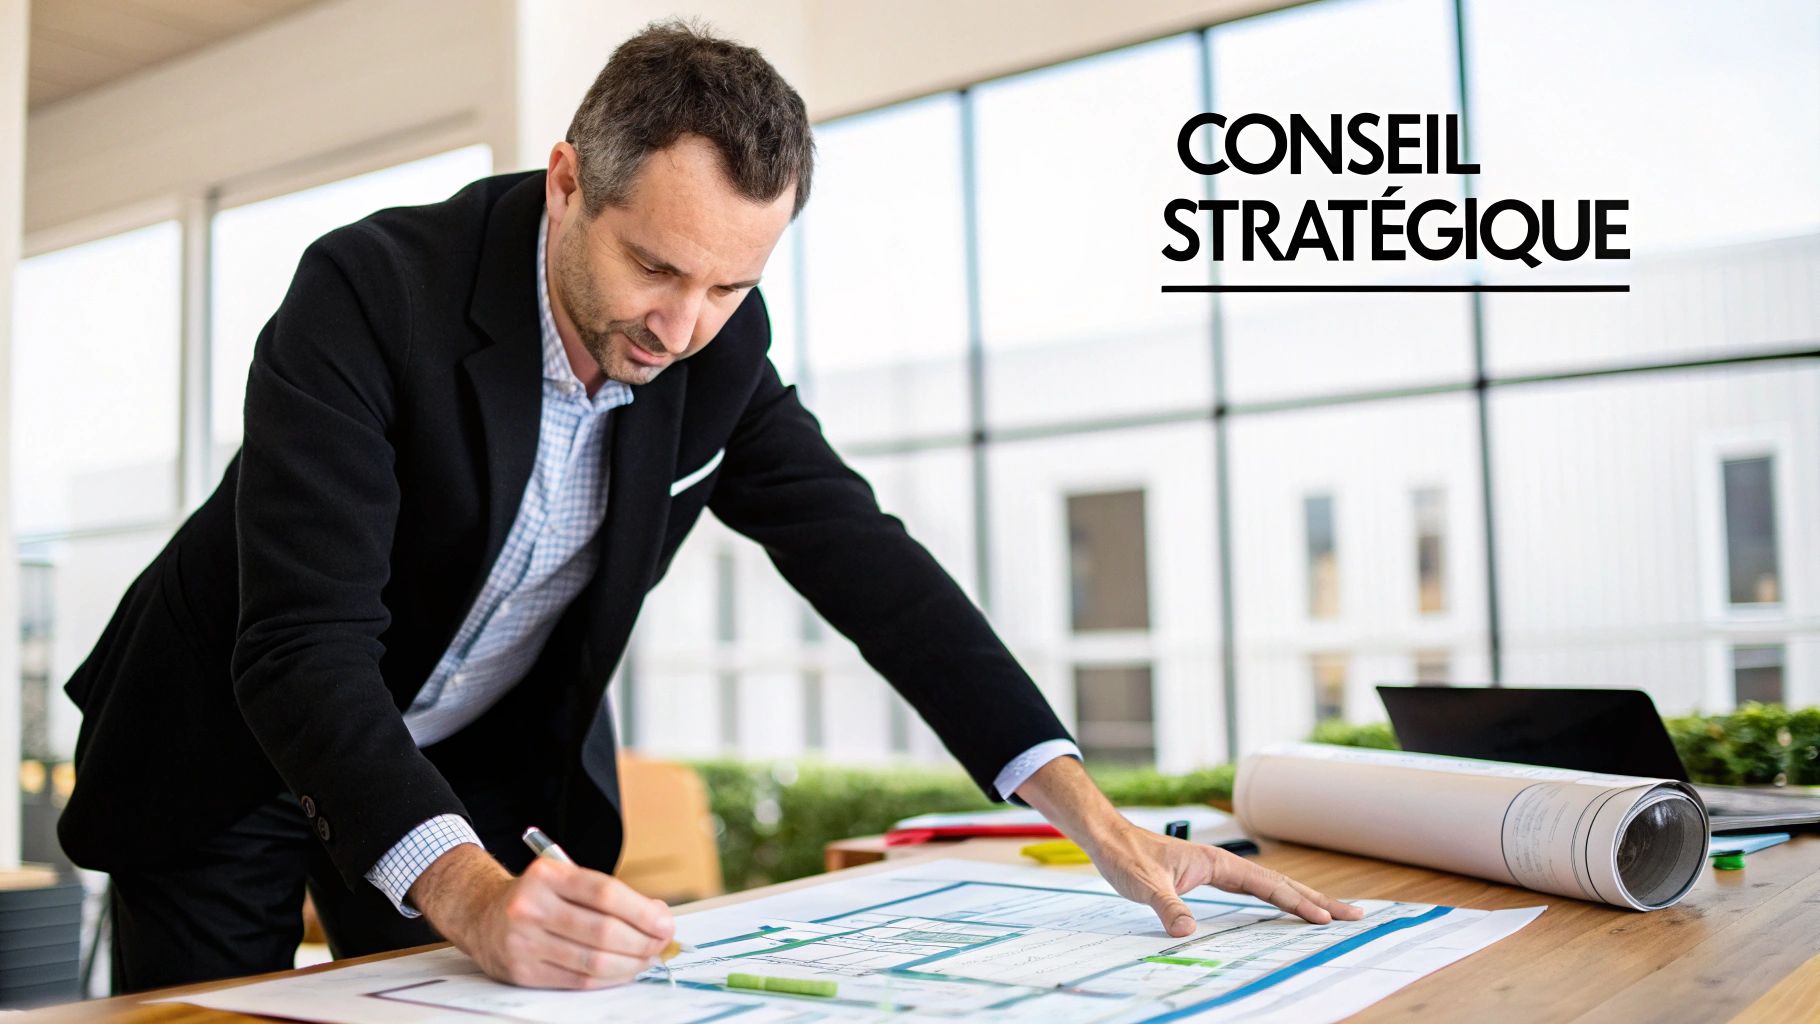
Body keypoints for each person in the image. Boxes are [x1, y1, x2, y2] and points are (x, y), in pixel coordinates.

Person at [59, 21, 1359, 994]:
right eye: (656, 268)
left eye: (729, 286)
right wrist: (469, 893)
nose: (683, 328)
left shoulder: (718, 350)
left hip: (456, 763)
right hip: (228, 741)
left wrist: (1093, 814)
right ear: (569, 181)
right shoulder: (365, 296)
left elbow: (869, 568)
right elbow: (302, 649)